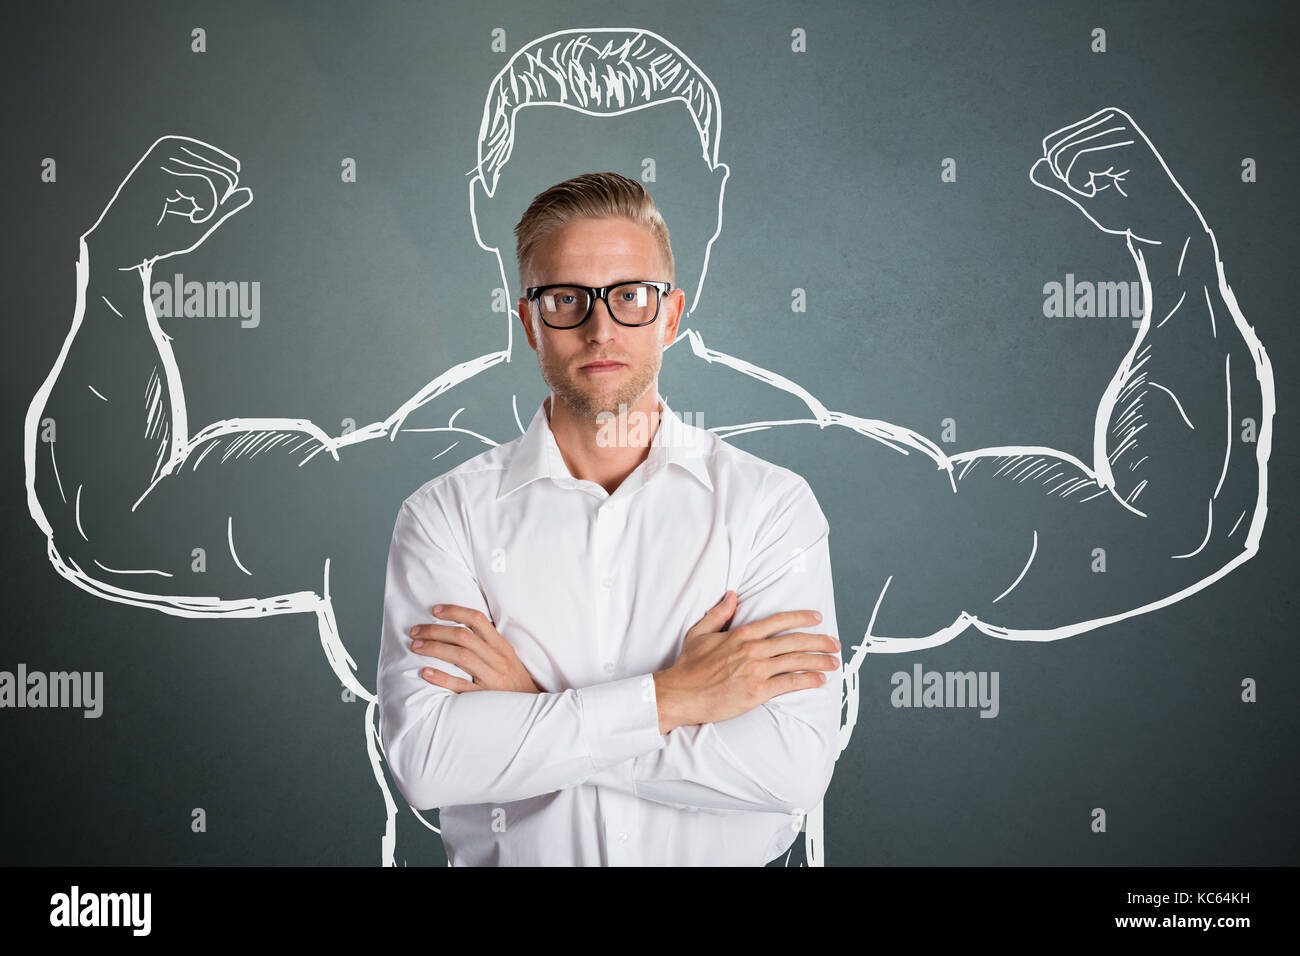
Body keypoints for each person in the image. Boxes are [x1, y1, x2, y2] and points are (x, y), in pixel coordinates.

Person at [375, 173, 843, 866]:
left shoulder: (771, 509)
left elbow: (792, 768)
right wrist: (678, 698)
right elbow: (428, 761)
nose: (600, 328)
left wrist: (536, 704)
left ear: (671, 315)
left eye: (629, 296)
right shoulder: (446, 516)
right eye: (567, 299)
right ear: (530, 319)